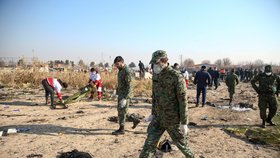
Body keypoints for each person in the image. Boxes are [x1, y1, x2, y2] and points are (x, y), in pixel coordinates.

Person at [139, 50, 194, 158]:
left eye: (157, 63)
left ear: (165, 61)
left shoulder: (176, 77)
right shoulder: (156, 75)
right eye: (153, 63)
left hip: (172, 119)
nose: (154, 66)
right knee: (149, 144)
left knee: (182, 145)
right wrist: (153, 113)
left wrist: (184, 122)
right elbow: (154, 96)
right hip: (159, 118)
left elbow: (183, 100)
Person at [112, 56, 140, 135]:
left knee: (122, 111)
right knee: (121, 110)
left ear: (122, 62)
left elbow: (130, 86)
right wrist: (116, 91)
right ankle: (134, 119)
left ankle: (122, 129)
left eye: (117, 64)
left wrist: (126, 98)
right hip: (121, 94)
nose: (116, 66)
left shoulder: (127, 71)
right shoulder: (120, 71)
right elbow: (121, 83)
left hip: (125, 95)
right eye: (115, 64)